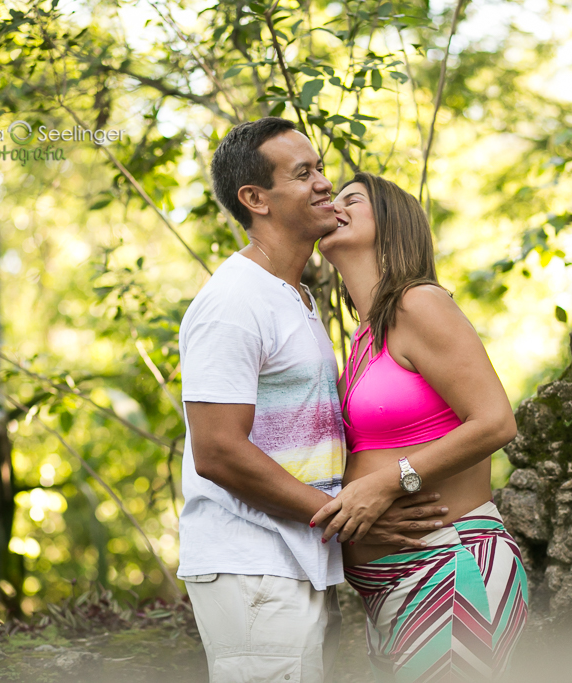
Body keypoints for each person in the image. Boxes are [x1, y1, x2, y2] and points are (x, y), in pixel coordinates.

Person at [177, 119, 447, 683]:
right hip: (253, 568)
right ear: (256, 199)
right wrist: (347, 520)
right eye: (304, 173)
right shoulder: (233, 300)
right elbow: (218, 452)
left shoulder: (293, 296)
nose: (325, 183)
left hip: (296, 562)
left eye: (320, 166)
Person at [314, 172, 530, 682]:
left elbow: (496, 421)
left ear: (392, 226)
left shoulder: (419, 302)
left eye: (352, 200)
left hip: (450, 569)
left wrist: (388, 483)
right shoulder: (364, 338)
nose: (332, 204)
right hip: (393, 586)